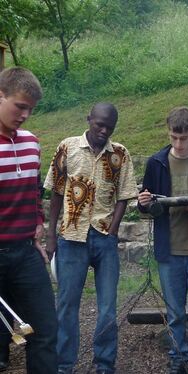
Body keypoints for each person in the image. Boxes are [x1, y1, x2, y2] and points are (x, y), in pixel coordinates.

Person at [45, 103, 136, 374]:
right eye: (99, 124)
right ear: (89, 120)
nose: (103, 130)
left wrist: (114, 229)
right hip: (71, 238)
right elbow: (56, 194)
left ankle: (104, 364)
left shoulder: (120, 153)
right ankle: (63, 365)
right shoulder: (68, 147)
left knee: (108, 307)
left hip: (104, 238)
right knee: (67, 306)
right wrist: (51, 235)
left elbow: (124, 194)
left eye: (109, 126)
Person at [137, 107, 188, 374]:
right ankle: (177, 355)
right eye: (174, 137)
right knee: (174, 311)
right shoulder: (157, 162)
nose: (178, 144)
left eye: (183, 138)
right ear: (168, 132)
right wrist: (144, 203)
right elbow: (148, 207)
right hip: (169, 247)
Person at [0, 66, 57, 374]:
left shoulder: (31, 143)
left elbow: (35, 190)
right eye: (19, 106)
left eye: (30, 110)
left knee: (45, 330)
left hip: (25, 253)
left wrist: (37, 224)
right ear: (0, 96)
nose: (24, 115)